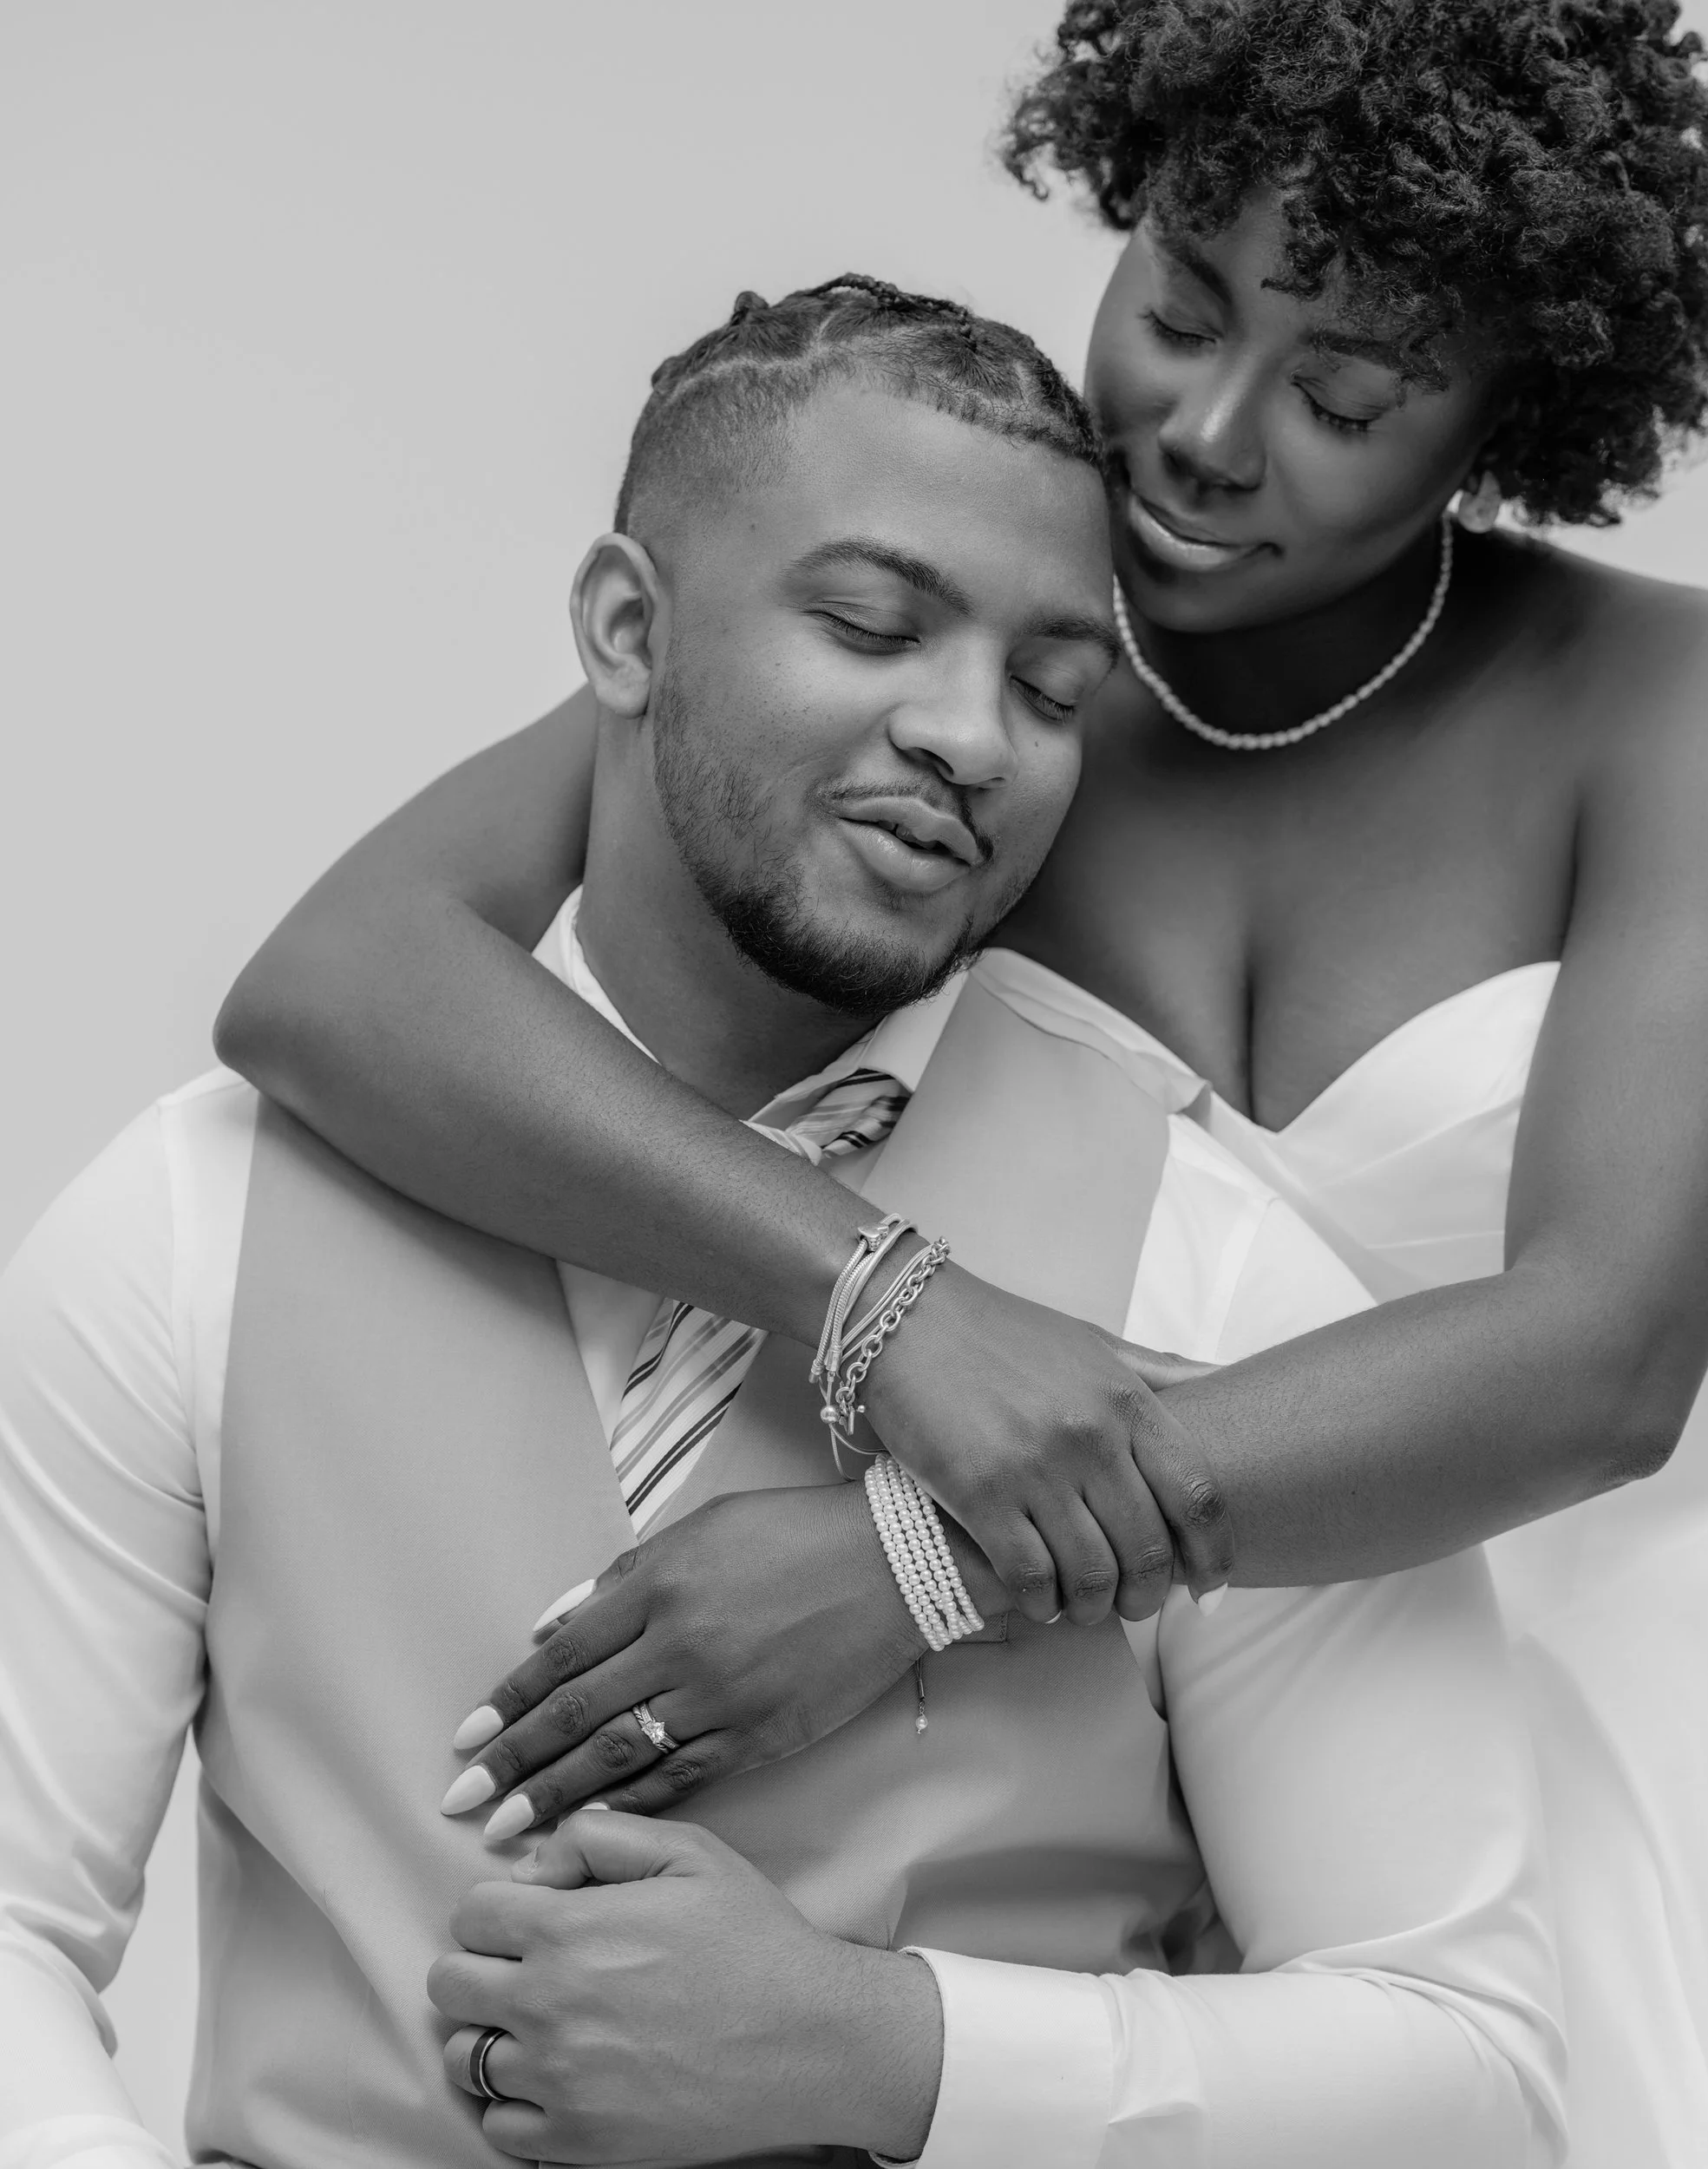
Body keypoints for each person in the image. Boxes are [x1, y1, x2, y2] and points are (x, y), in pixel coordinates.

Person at [213, 3, 1708, 2164]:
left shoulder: (1687, 703)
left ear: (1517, 404)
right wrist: (874, 1296)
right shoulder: (968, 709)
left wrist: (918, 1561)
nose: (1200, 431)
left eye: (1348, 395)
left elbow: (1600, 1357)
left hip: (1639, 1758)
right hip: (1134, 1779)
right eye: (1179, 303)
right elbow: (339, 978)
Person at [0, 283, 1566, 2169]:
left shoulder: (1206, 1263)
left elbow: (1471, 2069)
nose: (974, 737)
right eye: (874, 623)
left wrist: (888, 2051)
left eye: (1055, 689)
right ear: (626, 627)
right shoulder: (194, 1213)